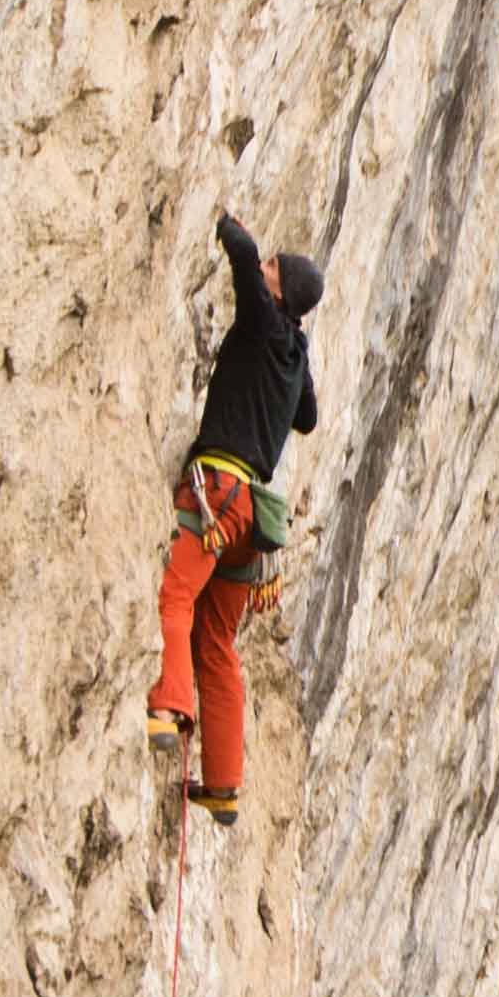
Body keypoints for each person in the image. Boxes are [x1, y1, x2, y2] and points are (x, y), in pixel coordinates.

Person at [149, 211, 322, 822]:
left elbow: (244, 261)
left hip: (216, 489)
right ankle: (222, 784)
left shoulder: (263, 321)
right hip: (252, 519)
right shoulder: (293, 350)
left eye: (275, 269)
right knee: (217, 642)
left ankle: (168, 709)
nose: (265, 268)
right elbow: (306, 418)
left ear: (278, 290)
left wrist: (225, 224)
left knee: (176, 596)